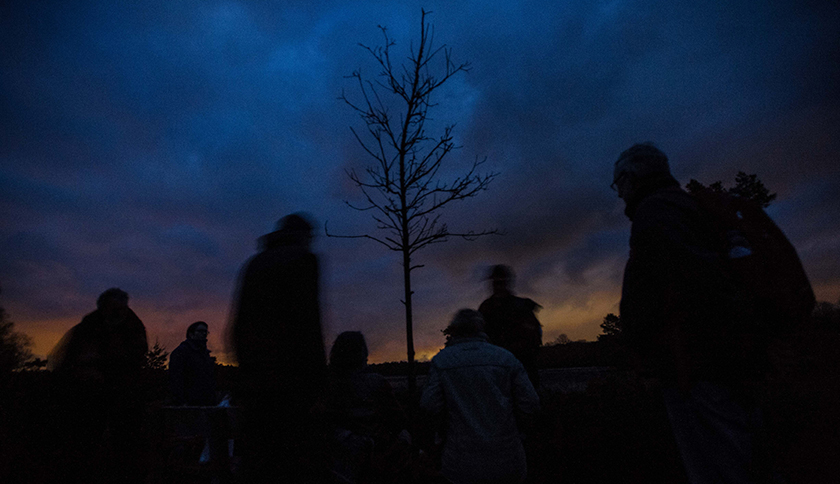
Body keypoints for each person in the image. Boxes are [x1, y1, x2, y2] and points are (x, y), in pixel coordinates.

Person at [613, 142, 772, 484]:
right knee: (741, 459)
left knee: (719, 468)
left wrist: (674, 358)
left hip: (697, 367)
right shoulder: (688, 208)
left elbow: (691, 286)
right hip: (717, 361)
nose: (619, 195)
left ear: (629, 177)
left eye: (618, 185)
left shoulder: (656, 213)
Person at [230, 212, 328, 482]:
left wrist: (246, 372)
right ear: (305, 236)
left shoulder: (253, 263)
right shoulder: (303, 260)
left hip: (256, 383)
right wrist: (318, 386)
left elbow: (238, 326)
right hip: (292, 383)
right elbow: (309, 324)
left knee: (260, 464)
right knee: (295, 463)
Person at [420, 309, 539, 484]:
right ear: (481, 328)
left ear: (455, 330)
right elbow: (532, 404)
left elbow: (428, 405)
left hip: (460, 464)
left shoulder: (442, 361)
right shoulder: (506, 358)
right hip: (508, 460)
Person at [49, 287, 148, 483]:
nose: (118, 312)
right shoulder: (88, 326)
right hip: (89, 395)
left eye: (121, 308)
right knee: (85, 442)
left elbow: (136, 357)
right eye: (113, 308)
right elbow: (66, 360)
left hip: (123, 394)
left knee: (125, 443)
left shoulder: (133, 327)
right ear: (103, 307)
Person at [319, 331, 410, 483]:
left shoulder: (327, 388)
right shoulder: (377, 383)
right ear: (362, 354)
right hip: (377, 466)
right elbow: (399, 420)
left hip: (340, 469)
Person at [478, 265, 543, 388]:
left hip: (522, 365)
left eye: (500, 281)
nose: (497, 285)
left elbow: (535, 337)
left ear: (507, 282)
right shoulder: (485, 308)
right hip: (495, 367)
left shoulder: (523, 306)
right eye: (495, 282)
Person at [169, 321, 217, 406]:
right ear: (191, 334)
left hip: (205, 402)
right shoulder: (181, 352)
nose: (204, 334)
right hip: (188, 403)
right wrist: (181, 401)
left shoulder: (204, 354)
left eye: (205, 331)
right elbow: (175, 378)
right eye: (200, 331)